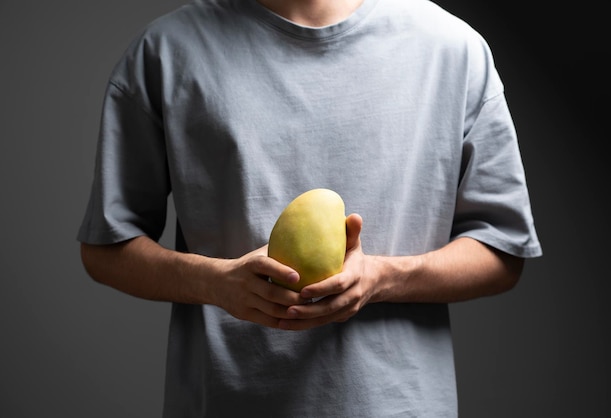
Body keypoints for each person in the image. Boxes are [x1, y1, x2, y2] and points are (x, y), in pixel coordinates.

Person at [77, 0, 542, 416]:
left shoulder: (453, 50)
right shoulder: (165, 52)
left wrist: (382, 279)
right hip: (227, 403)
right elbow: (106, 248)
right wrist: (215, 284)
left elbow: (502, 252)